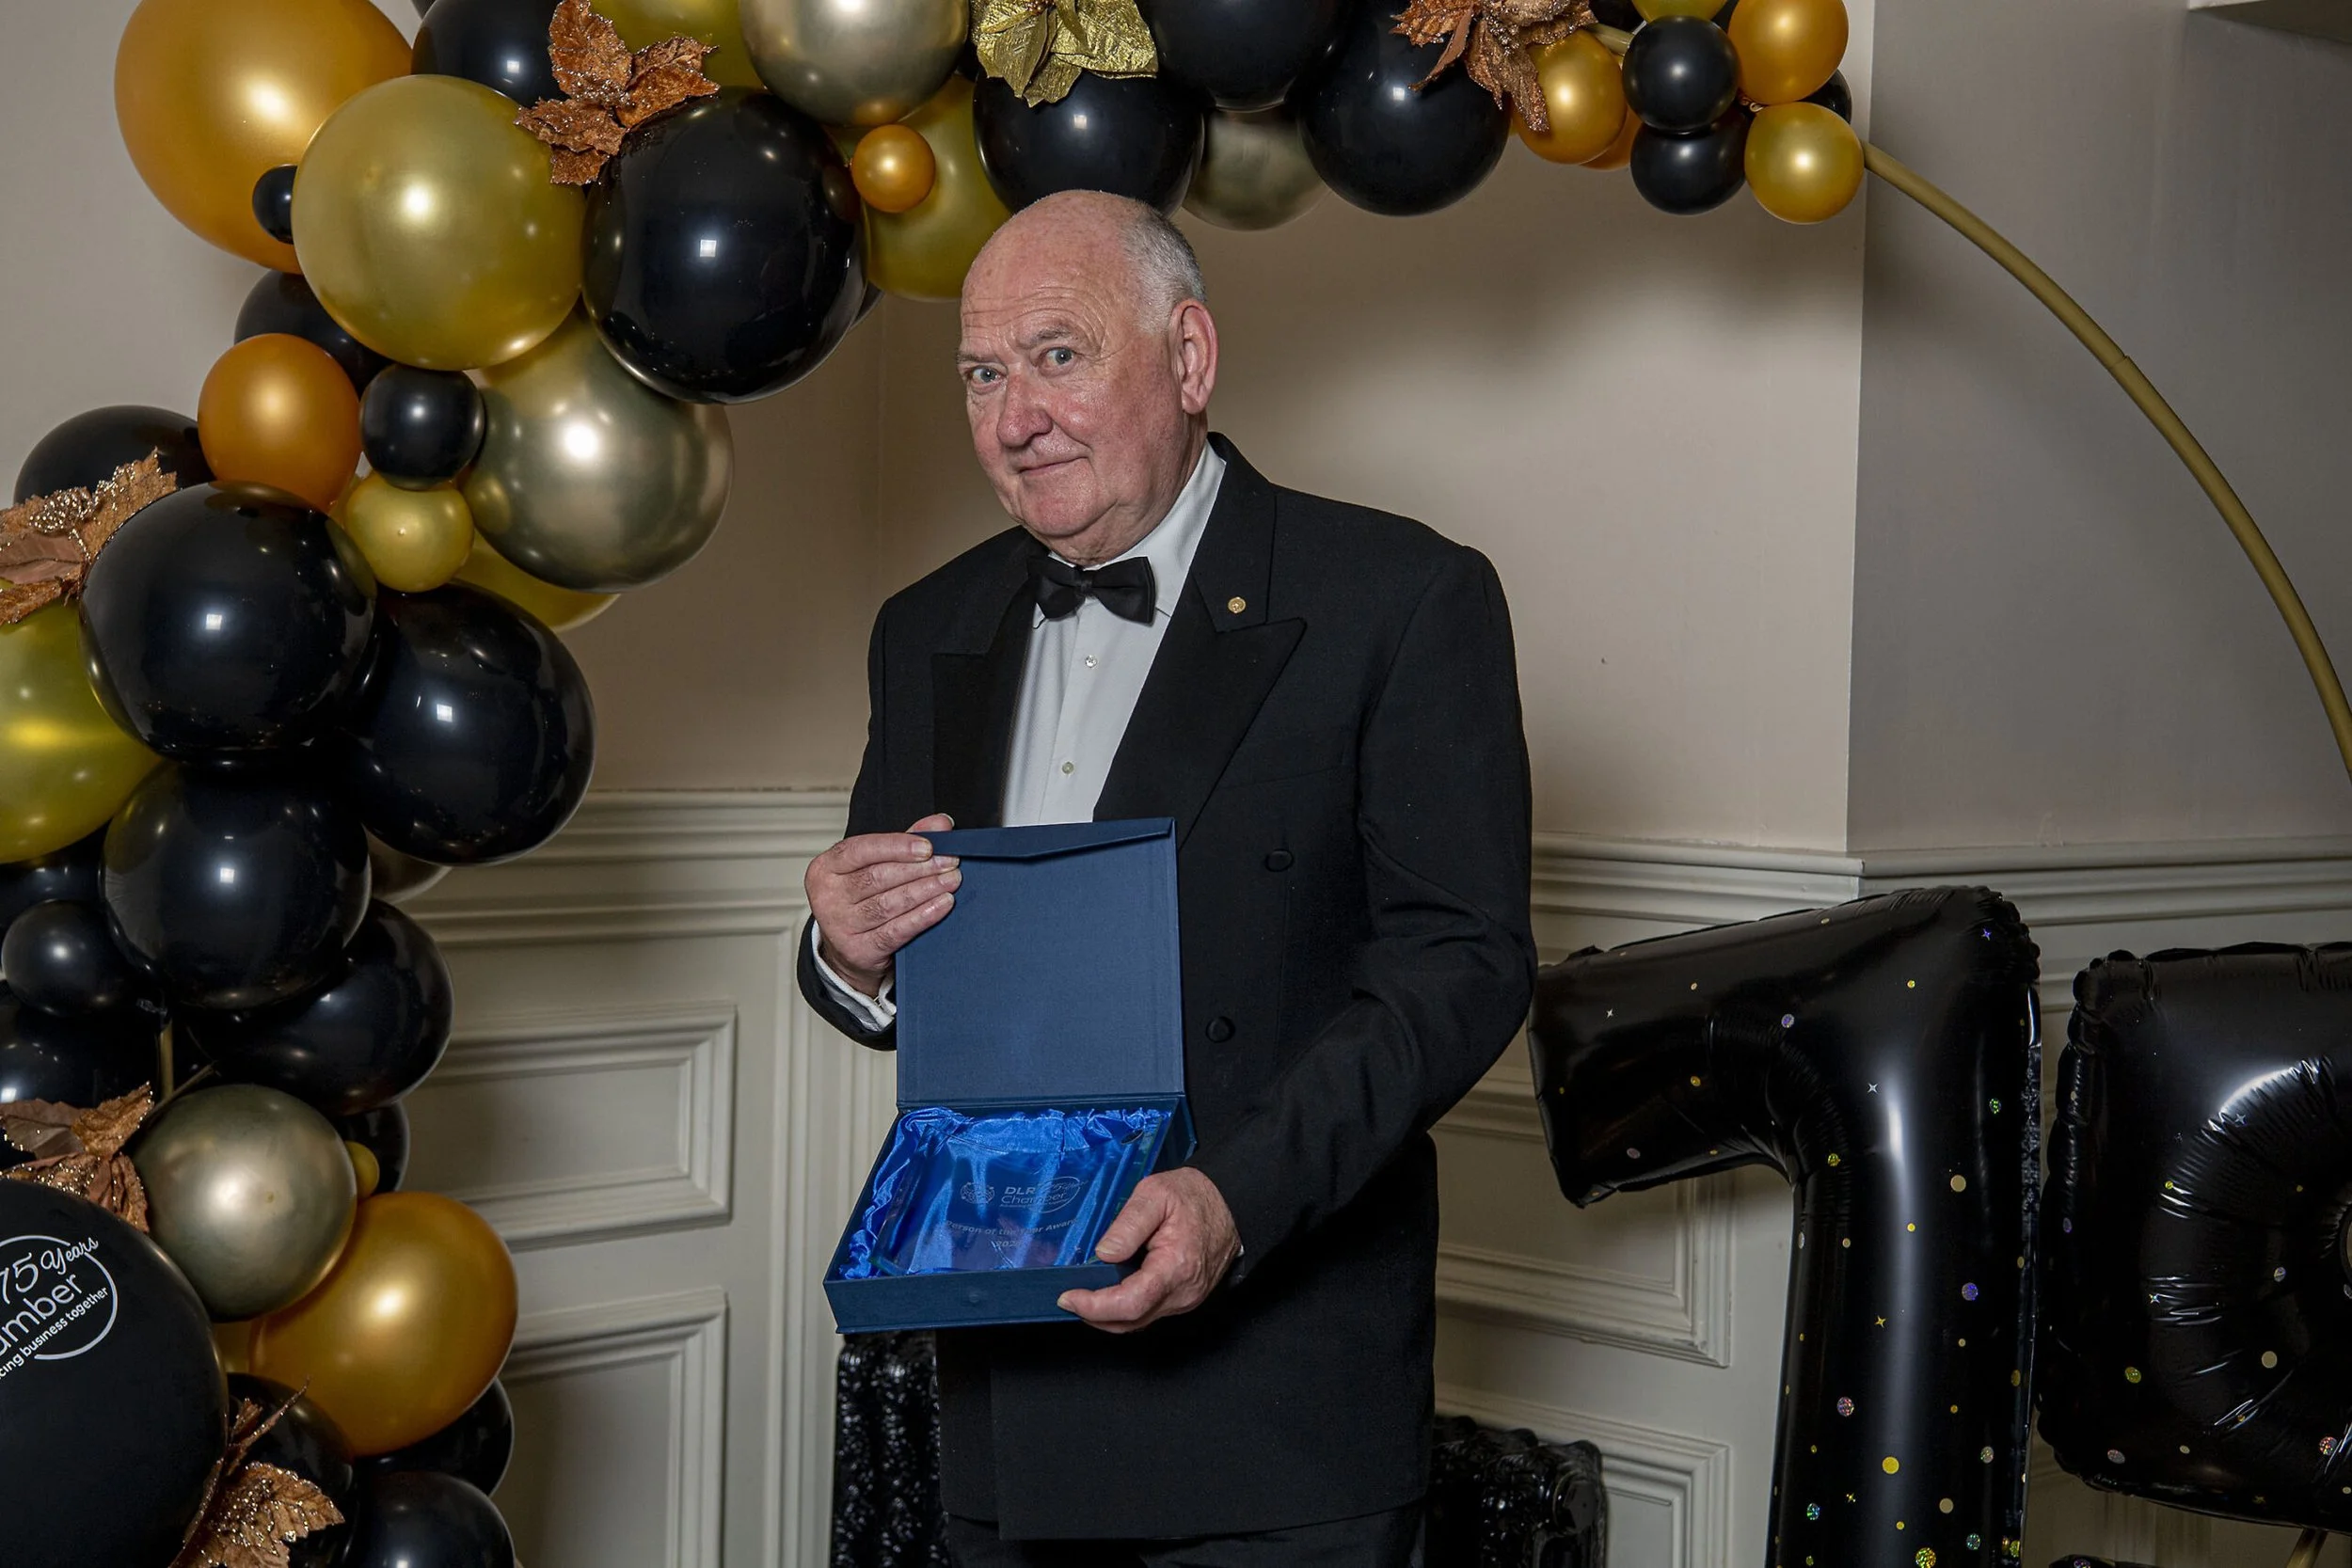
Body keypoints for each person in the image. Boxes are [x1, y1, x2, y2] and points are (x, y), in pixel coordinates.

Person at [799, 189, 1534, 1567]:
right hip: (1011, 1391)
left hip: (1279, 1406)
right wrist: (845, 947)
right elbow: (900, 957)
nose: (1016, 415)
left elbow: (1462, 963)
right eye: (982, 372)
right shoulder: (927, 628)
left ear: (1189, 358)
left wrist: (1234, 1200)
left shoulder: (1402, 597)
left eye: (1060, 355)